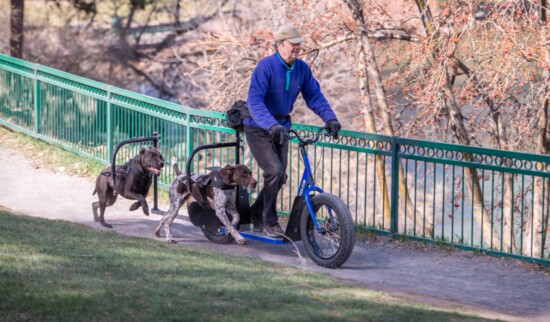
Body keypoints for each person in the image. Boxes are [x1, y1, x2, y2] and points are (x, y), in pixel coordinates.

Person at [244, 23, 341, 237]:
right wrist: (271, 125)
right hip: (258, 127)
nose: (297, 49)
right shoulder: (265, 66)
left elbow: (314, 96)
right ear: (280, 44)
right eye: (293, 45)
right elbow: (255, 101)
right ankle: (269, 221)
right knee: (275, 172)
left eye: (299, 45)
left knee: (281, 176)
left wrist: (330, 118)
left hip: (281, 127)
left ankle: (255, 212)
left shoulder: (301, 69)